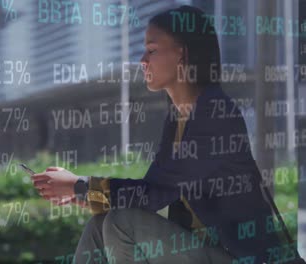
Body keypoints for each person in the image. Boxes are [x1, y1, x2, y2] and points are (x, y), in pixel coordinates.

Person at [32, 5, 291, 264]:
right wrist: (79, 194)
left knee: (121, 223)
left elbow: (154, 194)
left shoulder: (214, 113)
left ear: (181, 54)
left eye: (152, 50)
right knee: (99, 226)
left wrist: (79, 186)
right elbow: (150, 193)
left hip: (241, 257)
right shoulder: (178, 117)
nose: (143, 60)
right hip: (207, 251)